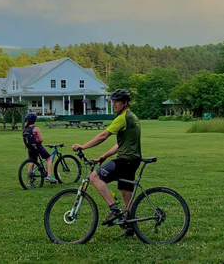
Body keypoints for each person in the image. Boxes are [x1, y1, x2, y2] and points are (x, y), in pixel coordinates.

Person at [72, 89, 141, 237]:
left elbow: (103, 135)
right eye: (113, 101)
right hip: (133, 160)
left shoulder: (122, 118)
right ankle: (129, 226)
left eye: (117, 101)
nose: (114, 103)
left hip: (125, 160)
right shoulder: (132, 117)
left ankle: (113, 209)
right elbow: (121, 144)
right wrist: (104, 156)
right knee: (126, 193)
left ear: (125, 102)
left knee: (94, 177)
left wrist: (83, 146)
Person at [22, 113, 56, 184]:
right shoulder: (36, 128)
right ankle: (49, 176)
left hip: (30, 148)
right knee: (49, 158)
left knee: (32, 162)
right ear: (35, 120)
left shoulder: (26, 129)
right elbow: (41, 139)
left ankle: (29, 181)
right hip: (37, 146)